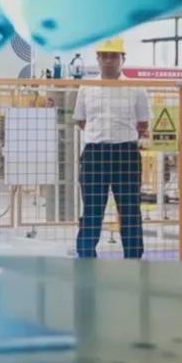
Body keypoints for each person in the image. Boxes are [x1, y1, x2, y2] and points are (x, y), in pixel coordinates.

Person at [72, 37, 150, 259]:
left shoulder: (136, 88)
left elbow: (143, 123)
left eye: (113, 56)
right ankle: (86, 257)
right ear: (97, 59)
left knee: (130, 208)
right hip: (95, 154)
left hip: (126, 154)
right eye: (104, 56)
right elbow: (81, 120)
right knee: (92, 209)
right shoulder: (86, 88)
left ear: (123, 59)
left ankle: (133, 260)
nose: (108, 61)